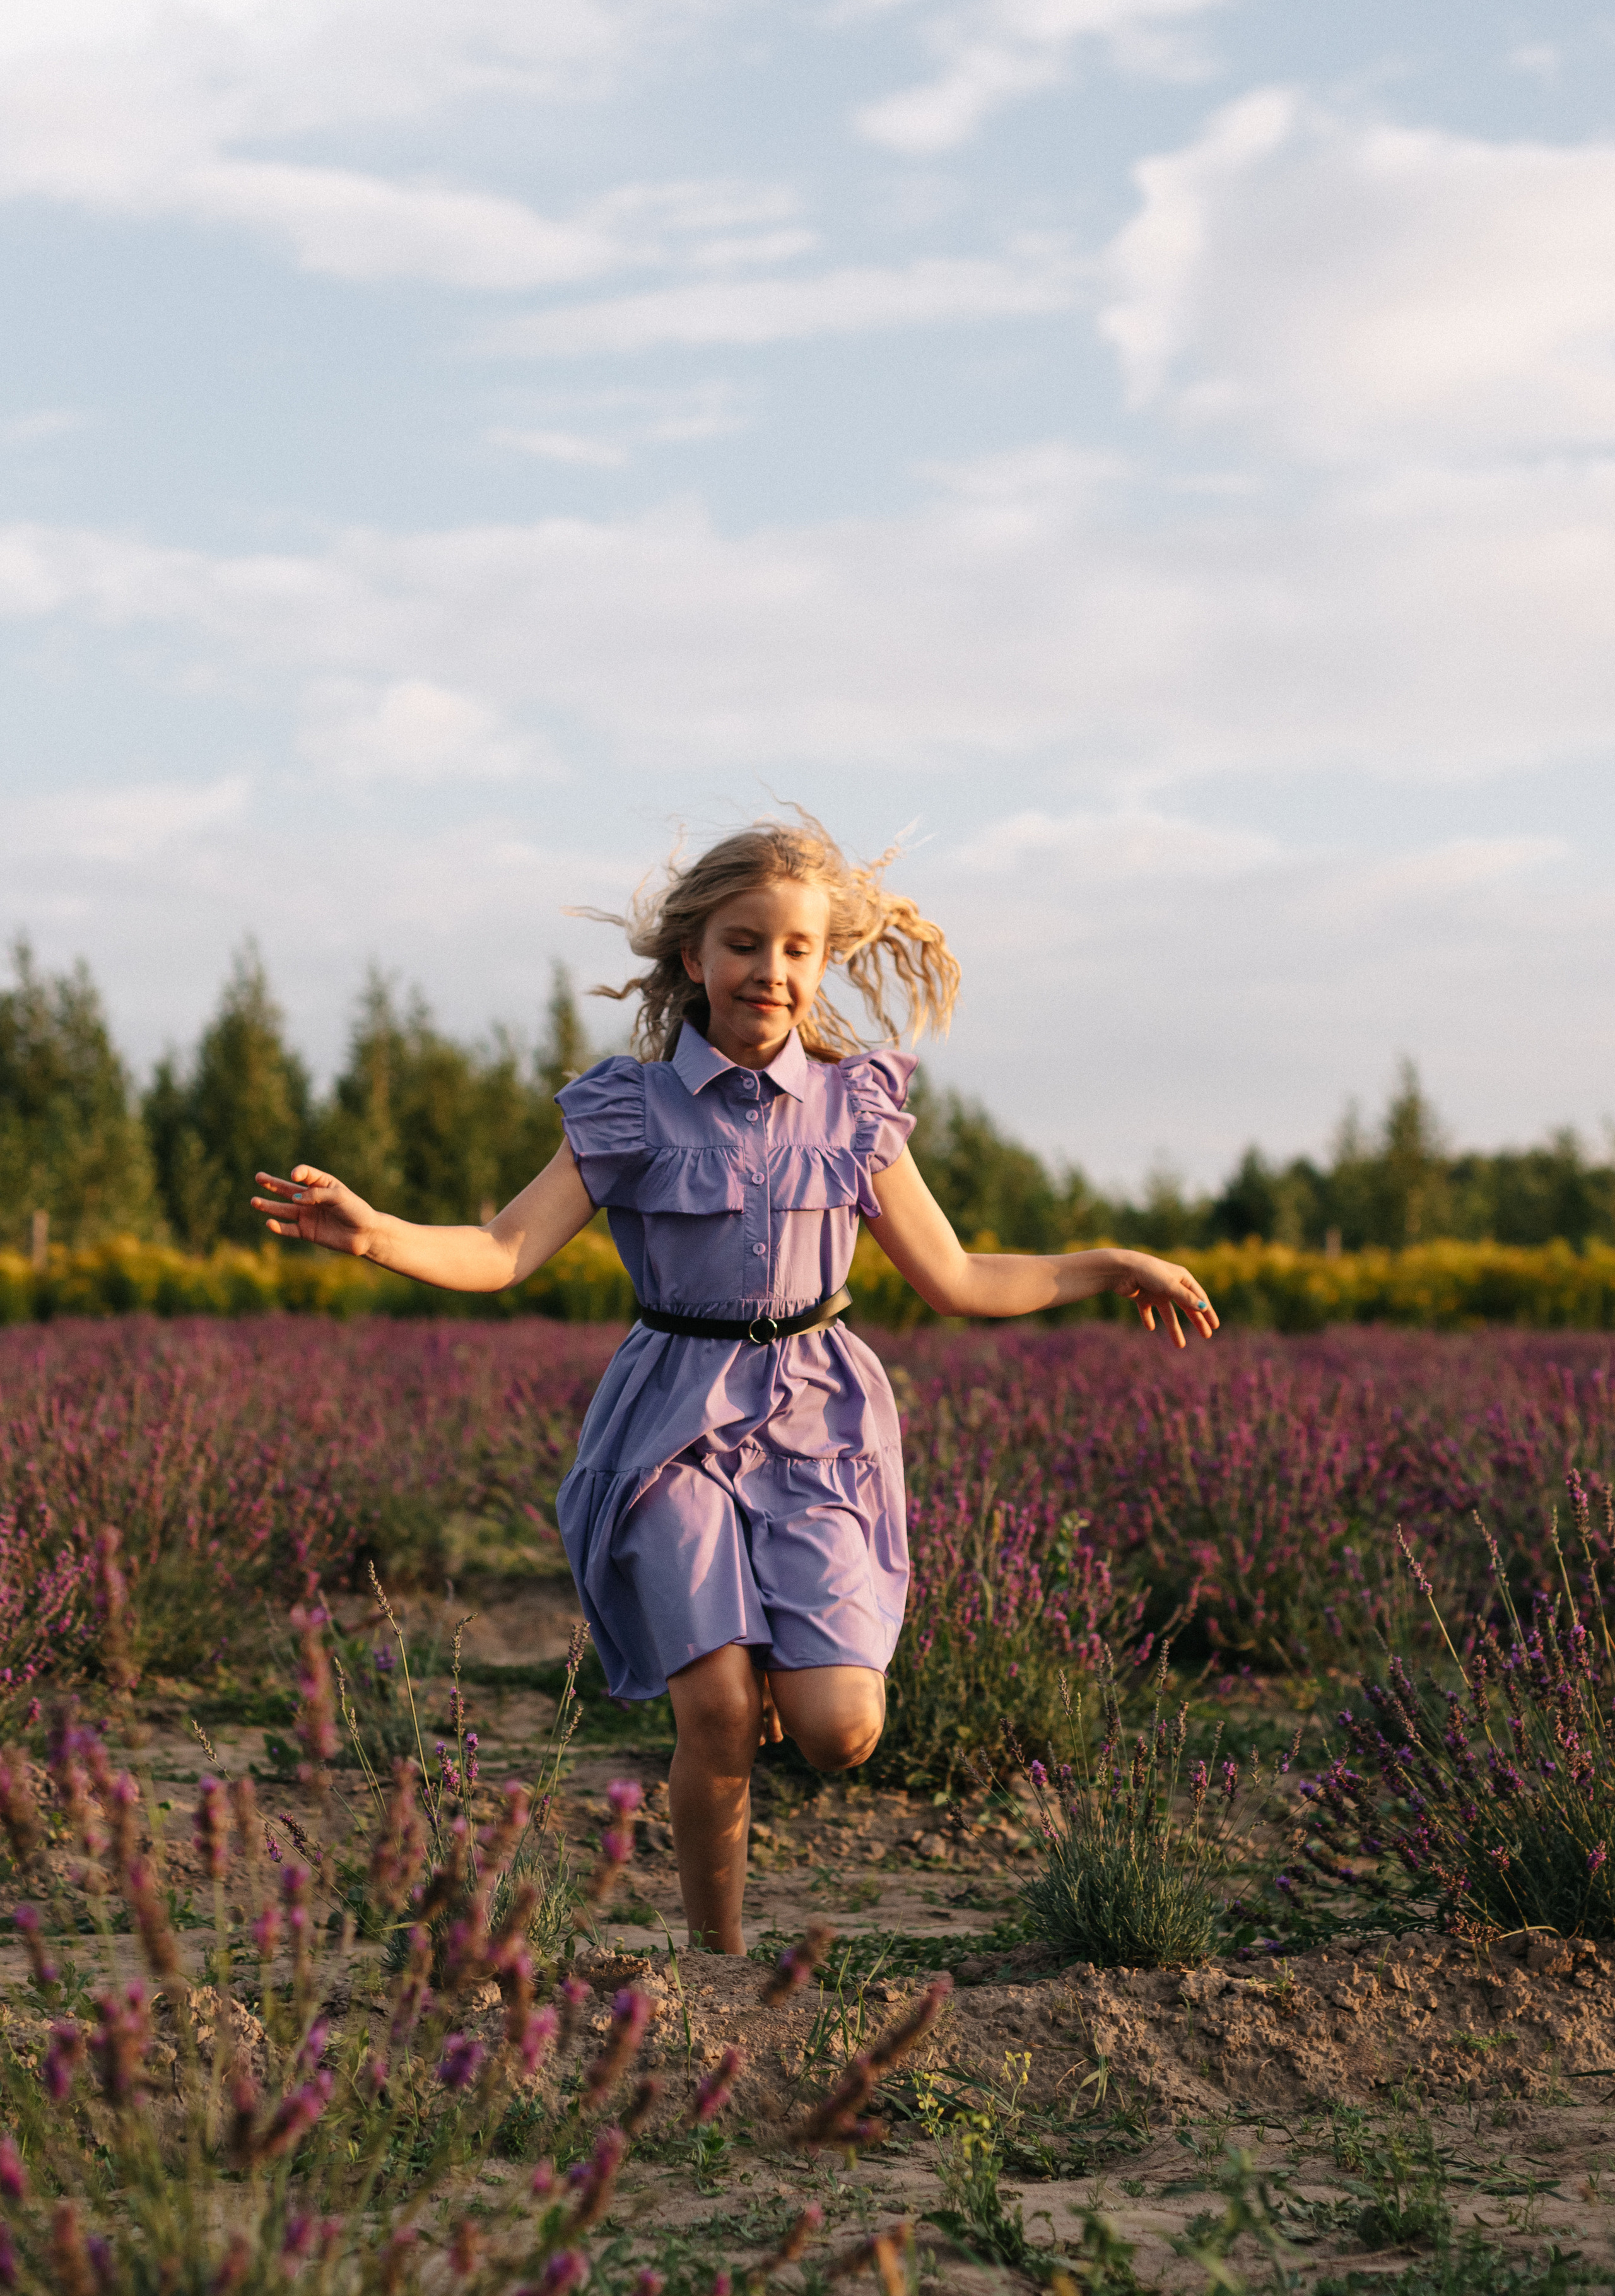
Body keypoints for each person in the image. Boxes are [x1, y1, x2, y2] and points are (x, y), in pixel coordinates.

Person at [252, 815, 1218, 1952]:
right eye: (744, 943)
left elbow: (957, 1277)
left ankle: (775, 1664)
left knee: (839, 1732)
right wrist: (376, 1237)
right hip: (673, 1425)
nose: (772, 969)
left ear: (824, 964)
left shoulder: (859, 1108)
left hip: (818, 1419)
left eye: (798, 948)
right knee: (713, 1710)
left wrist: (1110, 1264)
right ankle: (718, 1964)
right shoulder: (630, 1110)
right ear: (693, 958)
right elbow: (504, 1250)